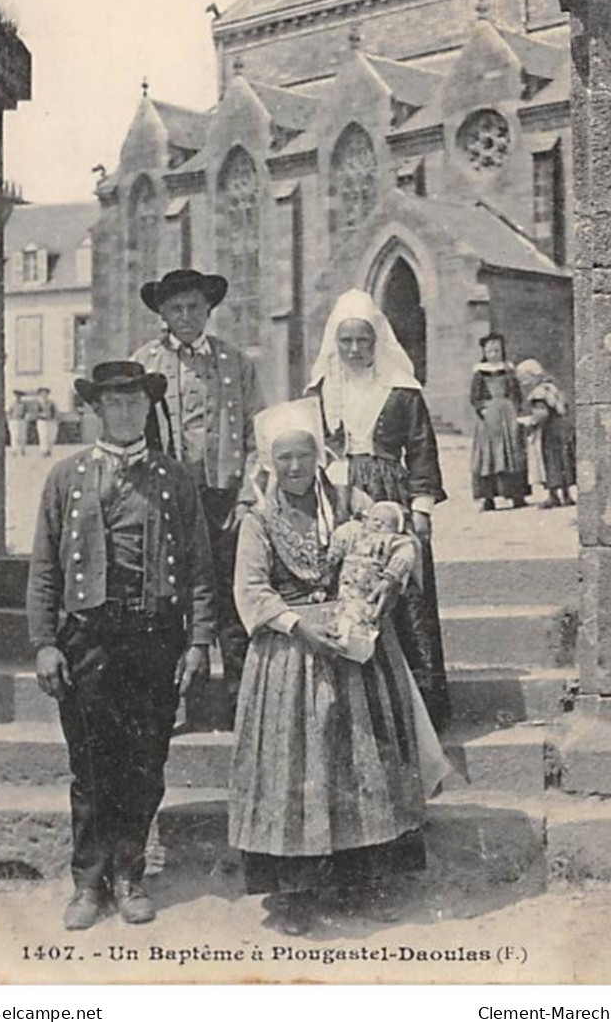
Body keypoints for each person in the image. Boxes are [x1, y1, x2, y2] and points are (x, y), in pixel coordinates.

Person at [230, 399, 450, 935]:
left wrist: (389, 585)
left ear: (320, 456)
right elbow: (251, 590)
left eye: (304, 455)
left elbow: (399, 543)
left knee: (361, 762)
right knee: (296, 769)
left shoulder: (351, 502)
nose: (295, 467)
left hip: (358, 653)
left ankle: (364, 882)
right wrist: (300, 626)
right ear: (270, 462)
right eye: (283, 459)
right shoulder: (259, 521)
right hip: (290, 655)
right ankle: (296, 895)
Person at [27, 361, 215, 931]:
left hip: (154, 636)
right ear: (98, 409)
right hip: (86, 638)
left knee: (144, 762)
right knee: (89, 764)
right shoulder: (67, 477)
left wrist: (199, 641)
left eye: (135, 401)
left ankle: (129, 875)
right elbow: (42, 571)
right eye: (115, 402)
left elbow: (202, 570)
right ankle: (88, 881)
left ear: (146, 408)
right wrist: (43, 643)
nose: (126, 411)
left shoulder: (174, 478)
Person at [305, 288, 450, 730]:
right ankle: (355, 703)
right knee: (345, 588)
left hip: (392, 495)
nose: (353, 349)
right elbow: (314, 448)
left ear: (377, 341)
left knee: (403, 592)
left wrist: (421, 509)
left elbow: (422, 450)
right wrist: (340, 488)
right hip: (338, 497)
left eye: (362, 340)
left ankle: (417, 704)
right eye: (346, 340)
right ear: (335, 341)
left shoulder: (402, 390)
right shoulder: (324, 389)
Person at [132, 268, 265, 715]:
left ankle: (240, 703)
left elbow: (256, 435)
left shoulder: (234, 362)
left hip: (222, 498)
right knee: (169, 599)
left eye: (194, 307)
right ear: (163, 314)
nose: (186, 316)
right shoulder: (144, 363)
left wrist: (248, 495)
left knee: (229, 597)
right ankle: (170, 704)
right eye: (176, 309)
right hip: (164, 500)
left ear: (208, 310)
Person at [326, 501, 421, 661]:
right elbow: (340, 538)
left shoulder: (394, 541)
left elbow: (404, 555)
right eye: (375, 519)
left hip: (374, 582)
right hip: (348, 581)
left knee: (367, 614)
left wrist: (390, 576)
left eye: (386, 522)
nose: (379, 524)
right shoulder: (354, 532)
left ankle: (361, 642)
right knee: (344, 610)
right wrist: (333, 555)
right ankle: (343, 639)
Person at [470, 333, 529, 511]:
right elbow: (475, 397)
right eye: (490, 351)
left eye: (497, 350)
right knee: (488, 456)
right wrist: (483, 409)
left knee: (512, 453)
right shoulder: (480, 372)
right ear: (484, 352)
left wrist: (516, 410)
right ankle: (488, 498)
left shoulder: (509, 370)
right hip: (489, 418)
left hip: (508, 414)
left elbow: (516, 393)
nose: (493, 354)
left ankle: (517, 495)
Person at [516, 359, 576, 508]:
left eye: (525, 379)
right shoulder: (553, 388)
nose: (524, 384)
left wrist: (529, 421)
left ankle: (554, 495)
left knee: (551, 460)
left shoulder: (539, 392)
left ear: (534, 376)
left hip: (551, 429)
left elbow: (541, 413)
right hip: (563, 427)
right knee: (563, 460)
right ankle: (566, 495)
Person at [35, 387, 58, 457]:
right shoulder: (38, 403)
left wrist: (54, 418)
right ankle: (43, 451)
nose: (44, 395)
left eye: (46, 393)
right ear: (40, 394)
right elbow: (36, 412)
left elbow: (54, 412)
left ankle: (49, 450)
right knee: (43, 436)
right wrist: (42, 414)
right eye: (42, 393)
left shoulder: (51, 403)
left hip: (50, 421)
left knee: (51, 436)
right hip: (42, 421)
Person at [7, 390, 27, 455]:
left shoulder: (23, 404)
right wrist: (9, 421)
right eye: (17, 395)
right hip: (14, 420)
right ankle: (14, 450)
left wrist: (25, 418)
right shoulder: (11, 404)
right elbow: (9, 413)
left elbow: (26, 412)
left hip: (21, 420)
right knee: (14, 436)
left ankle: (22, 450)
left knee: (22, 436)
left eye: (19, 396)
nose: (18, 397)